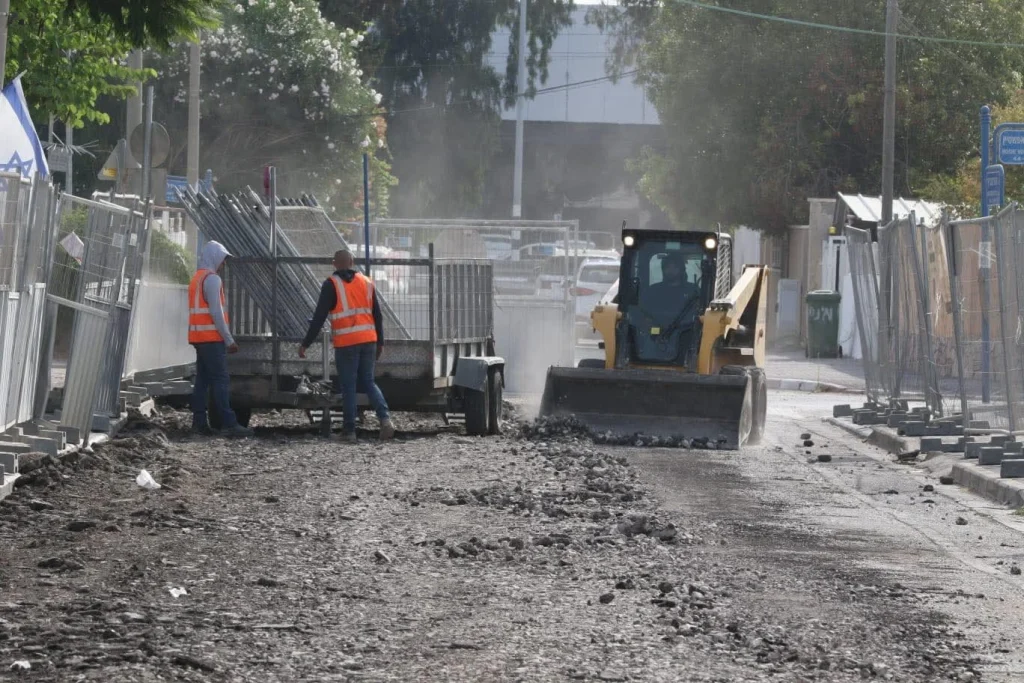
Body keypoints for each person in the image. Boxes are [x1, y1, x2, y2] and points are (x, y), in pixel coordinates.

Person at [299, 249, 396, 442]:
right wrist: (380, 342)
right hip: (369, 340)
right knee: (369, 382)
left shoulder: (331, 284)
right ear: (352, 262)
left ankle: (349, 431)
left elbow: (319, 317)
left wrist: (305, 343)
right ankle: (385, 420)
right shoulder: (366, 282)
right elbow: (377, 315)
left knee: (349, 386)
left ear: (334, 263)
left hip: (347, 343)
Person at [188, 241, 253, 437]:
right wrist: (229, 340)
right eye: (223, 259)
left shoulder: (197, 278)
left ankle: (199, 423)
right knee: (220, 380)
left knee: (202, 381)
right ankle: (228, 424)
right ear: (214, 257)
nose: (223, 264)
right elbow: (216, 313)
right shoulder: (212, 280)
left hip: (198, 337)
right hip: (211, 338)